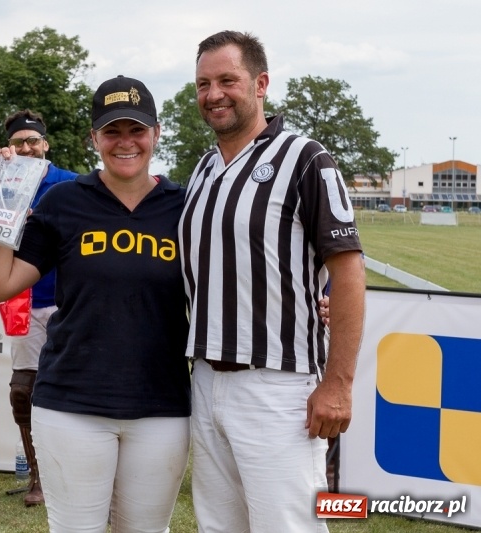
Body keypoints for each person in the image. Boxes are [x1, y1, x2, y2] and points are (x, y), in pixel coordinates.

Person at [0, 76, 191, 532]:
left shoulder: (185, 206)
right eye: (112, 131)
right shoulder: (65, 200)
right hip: (71, 405)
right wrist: (0, 192)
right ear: (93, 138)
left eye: (137, 130)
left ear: (156, 133)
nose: (125, 142)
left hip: (160, 406)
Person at [180, 31, 366, 532]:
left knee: (288, 524)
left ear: (260, 83)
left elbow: (348, 270)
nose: (213, 94)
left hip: (277, 385)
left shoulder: (305, 158)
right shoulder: (202, 168)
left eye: (227, 80)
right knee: (220, 525)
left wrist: (339, 384)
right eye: (202, 83)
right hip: (206, 378)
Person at [0, 109, 77, 507]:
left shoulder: (70, 183)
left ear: (45, 144)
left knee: (75, 388)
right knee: (23, 391)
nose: (26, 147)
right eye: (18, 142)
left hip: (69, 301)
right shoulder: (2, 181)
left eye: (33, 140)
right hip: (25, 300)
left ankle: (80, 473)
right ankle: (38, 477)